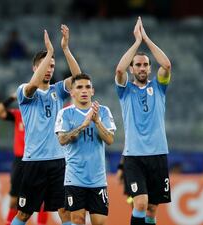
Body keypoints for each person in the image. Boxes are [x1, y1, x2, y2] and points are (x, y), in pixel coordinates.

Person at [11, 24, 81, 225]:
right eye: (45, 65)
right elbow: (32, 86)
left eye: (52, 65)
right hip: (34, 162)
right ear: (35, 68)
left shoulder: (58, 90)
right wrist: (50, 51)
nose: (49, 69)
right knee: (24, 214)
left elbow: (78, 79)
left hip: (58, 161)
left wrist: (65, 49)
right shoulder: (24, 90)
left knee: (65, 212)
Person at [115, 17, 172, 225]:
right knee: (139, 203)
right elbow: (119, 70)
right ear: (133, 69)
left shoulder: (159, 87)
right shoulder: (125, 91)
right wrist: (136, 43)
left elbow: (166, 64)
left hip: (158, 154)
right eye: (137, 65)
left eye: (145, 65)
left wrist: (146, 38)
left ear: (149, 69)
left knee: (152, 209)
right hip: (134, 156)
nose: (141, 68)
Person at [55, 73, 115, 225]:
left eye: (87, 87)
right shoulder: (65, 113)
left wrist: (97, 122)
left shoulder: (103, 111)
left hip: (98, 179)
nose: (84, 90)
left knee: (99, 222)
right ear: (72, 92)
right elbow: (62, 139)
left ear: (92, 91)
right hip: (75, 178)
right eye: (79, 87)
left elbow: (109, 140)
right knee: (78, 220)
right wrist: (82, 126)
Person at [0, 94, 48, 225]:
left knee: (42, 200)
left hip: (37, 159)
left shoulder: (42, 115)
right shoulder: (18, 115)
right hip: (20, 161)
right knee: (14, 201)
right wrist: (11, 98)